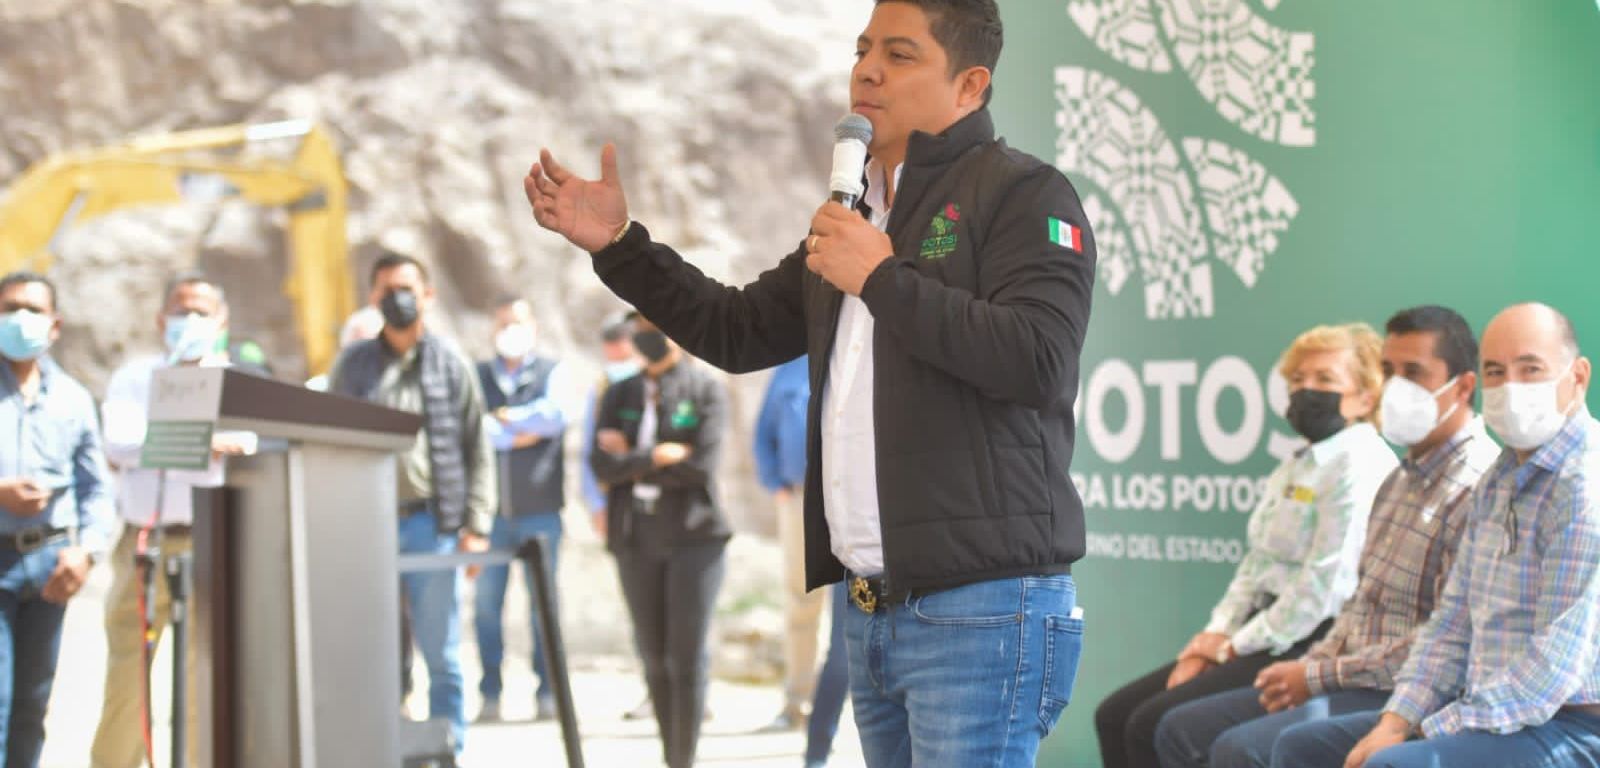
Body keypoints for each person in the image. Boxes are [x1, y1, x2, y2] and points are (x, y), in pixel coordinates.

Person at [525, 1, 1095, 763]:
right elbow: (736, 329)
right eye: (863, 50)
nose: (867, 71)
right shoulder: (855, 215)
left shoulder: (1025, 194)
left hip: (982, 611)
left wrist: (882, 279)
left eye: (899, 54)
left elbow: (1040, 359)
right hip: (869, 610)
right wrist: (621, 246)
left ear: (969, 86)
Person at [1152, 307, 1499, 768]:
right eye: (1390, 371)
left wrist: (1315, 674)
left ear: (1463, 386)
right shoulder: (1402, 479)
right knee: (1174, 727)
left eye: (1414, 373)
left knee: (1240, 749)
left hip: (1405, 690)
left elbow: (1445, 637)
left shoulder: (1479, 484)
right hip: (1347, 673)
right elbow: (1358, 604)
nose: (1397, 387)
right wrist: (1307, 668)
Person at [1274, 302, 1600, 768]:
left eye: (1531, 369)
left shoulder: (1585, 485)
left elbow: (1550, 673)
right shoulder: (1499, 478)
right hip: (1487, 712)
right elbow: (1452, 622)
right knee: (1299, 747)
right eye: (1496, 371)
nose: (1511, 386)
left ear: (1578, 377)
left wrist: (1427, 730)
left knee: (1390, 765)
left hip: (1567, 725)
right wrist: (1396, 722)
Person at [1096, 323, 1399, 768]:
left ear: (1366, 398)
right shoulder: (1299, 462)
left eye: (1325, 379)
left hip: (1311, 639)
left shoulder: (1361, 464)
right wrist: (1213, 636)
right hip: (1260, 631)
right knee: (1114, 715)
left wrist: (1229, 649)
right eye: (1299, 379)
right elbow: (1256, 565)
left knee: (1154, 724)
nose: (1307, 390)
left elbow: (1321, 591)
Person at [328, 253, 495, 756]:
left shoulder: (451, 363)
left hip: (432, 526)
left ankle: (448, 751)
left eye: (406, 288)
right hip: (368, 528)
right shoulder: (353, 365)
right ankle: (378, 751)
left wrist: (477, 525)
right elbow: (330, 441)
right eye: (386, 290)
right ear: (372, 298)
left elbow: (476, 447)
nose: (396, 298)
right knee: (373, 653)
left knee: (441, 653)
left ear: (428, 296)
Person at [91, 272, 256, 768]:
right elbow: (120, 445)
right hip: (145, 544)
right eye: (182, 311)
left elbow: (248, 447)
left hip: (214, 542)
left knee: (207, 678)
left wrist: (167, 443)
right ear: (161, 319)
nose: (191, 321)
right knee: (129, 676)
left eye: (202, 312)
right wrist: (205, 445)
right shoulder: (135, 378)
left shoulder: (240, 383)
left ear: (222, 321)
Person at [590, 317, 730, 768]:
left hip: (695, 538)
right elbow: (600, 465)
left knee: (685, 658)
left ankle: (683, 759)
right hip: (636, 536)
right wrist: (655, 455)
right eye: (640, 327)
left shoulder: (704, 389)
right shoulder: (619, 393)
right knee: (653, 656)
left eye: (656, 325)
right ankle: (669, 756)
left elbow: (700, 466)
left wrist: (629, 460)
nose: (648, 335)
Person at [0, 271, 113, 768]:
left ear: (55, 324)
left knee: (31, 705)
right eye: (10, 308)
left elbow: (96, 489)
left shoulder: (73, 398)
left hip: (49, 568)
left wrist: (85, 552)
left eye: (33, 310)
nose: (20, 319)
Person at [473, 295, 583, 723]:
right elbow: (477, 430)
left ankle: (548, 692)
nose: (510, 331)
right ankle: (490, 693)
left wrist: (505, 421)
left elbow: (556, 416)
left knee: (543, 607)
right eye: (502, 323)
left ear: (533, 327)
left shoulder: (553, 371)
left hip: (540, 512)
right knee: (486, 607)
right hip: (491, 516)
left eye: (517, 322)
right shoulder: (479, 376)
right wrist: (522, 429)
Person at [754, 355, 823, 732]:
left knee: (859, 604)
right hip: (797, 499)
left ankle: (842, 705)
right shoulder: (787, 368)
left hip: (855, 500)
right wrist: (775, 484)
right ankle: (798, 702)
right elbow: (763, 433)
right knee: (801, 600)